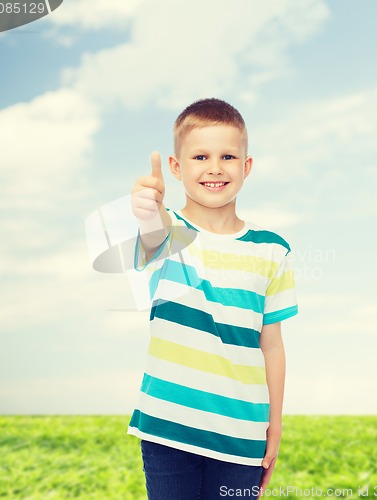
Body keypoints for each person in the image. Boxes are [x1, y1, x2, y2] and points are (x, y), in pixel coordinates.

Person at [128, 98, 298, 500]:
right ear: (176, 167)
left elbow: (271, 345)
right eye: (200, 156)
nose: (215, 168)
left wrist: (275, 424)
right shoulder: (169, 233)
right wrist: (147, 208)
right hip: (168, 429)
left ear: (246, 166)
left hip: (242, 435)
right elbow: (152, 229)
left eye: (228, 156)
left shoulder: (273, 249)